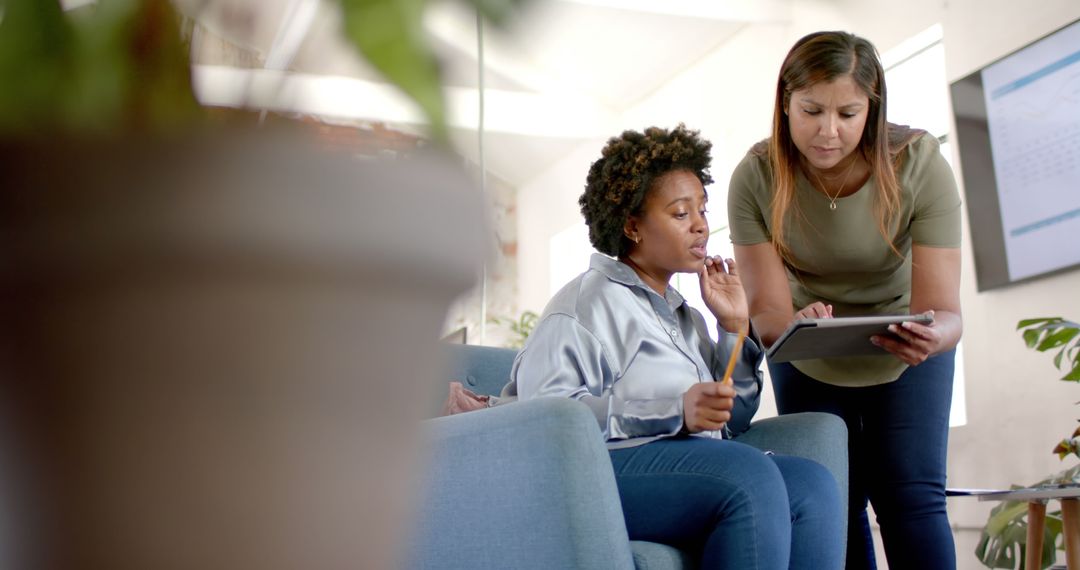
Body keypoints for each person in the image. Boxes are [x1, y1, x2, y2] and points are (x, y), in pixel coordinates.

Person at [501, 124, 844, 569]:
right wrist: (673, 410)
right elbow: (547, 420)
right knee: (747, 476)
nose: (700, 225)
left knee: (812, 485)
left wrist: (734, 326)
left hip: (692, 462)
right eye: (681, 214)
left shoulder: (686, 316)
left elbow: (733, 420)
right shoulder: (584, 306)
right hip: (596, 472)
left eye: (701, 209)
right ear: (632, 226)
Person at [727, 31, 963, 569]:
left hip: (907, 350)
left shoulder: (920, 163)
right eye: (811, 111)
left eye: (848, 114)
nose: (828, 131)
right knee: (833, 502)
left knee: (912, 499)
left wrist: (934, 336)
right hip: (806, 346)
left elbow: (947, 314)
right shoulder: (756, 177)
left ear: (871, 111)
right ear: (785, 103)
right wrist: (795, 326)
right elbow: (767, 316)